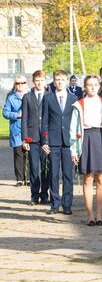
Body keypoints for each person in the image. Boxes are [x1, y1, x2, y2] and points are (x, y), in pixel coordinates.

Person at [70, 75, 102, 226]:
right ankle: (90, 214)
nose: (92, 87)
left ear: (99, 86)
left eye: (95, 85)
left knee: (101, 178)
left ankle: (99, 214)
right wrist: (74, 151)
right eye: (89, 85)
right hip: (85, 140)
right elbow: (73, 129)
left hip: (101, 139)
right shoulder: (79, 104)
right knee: (88, 177)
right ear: (84, 87)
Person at [41, 70, 78, 215]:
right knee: (53, 174)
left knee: (68, 175)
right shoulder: (48, 98)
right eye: (57, 79)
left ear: (67, 80)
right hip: (53, 142)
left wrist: (77, 142)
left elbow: (77, 122)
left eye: (62, 79)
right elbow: (44, 120)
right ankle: (55, 204)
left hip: (69, 142)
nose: (60, 82)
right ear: (53, 81)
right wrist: (44, 140)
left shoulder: (74, 98)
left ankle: (67, 204)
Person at [21, 70, 50, 204]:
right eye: (37, 80)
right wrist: (24, 138)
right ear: (33, 81)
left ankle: (44, 194)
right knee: (33, 168)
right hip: (32, 138)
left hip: (46, 138)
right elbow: (24, 119)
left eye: (42, 80)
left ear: (45, 81)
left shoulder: (50, 95)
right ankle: (34, 194)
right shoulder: (27, 97)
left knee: (45, 167)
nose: (39, 82)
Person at [2, 75, 29, 186]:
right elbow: (5, 112)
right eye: (18, 83)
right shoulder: (11, 97)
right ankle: (19, 179)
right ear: (15, 85)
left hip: (29, 128)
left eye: (22, 83)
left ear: (26, 83)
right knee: (19, 154)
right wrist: (17, 114)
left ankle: (28, 178)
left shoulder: (30, 95)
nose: (20, 85)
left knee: (29, 154)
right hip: (16, 129)